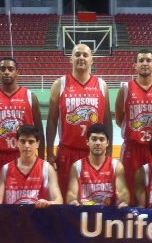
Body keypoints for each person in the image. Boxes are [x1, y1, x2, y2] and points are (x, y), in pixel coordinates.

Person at [46, 43, 113, 200]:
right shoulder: (59, 84)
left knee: (93, 198)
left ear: (91, 60)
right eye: (77, 55)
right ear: (71, 59)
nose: (81, 58)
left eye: (85, 55)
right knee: (65, 198)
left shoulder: (102, 85)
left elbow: (107, 120)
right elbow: (51, 121)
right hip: (67, 151)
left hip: (94, 152)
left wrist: (108, 152)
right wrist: (49, 151)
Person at [115, 48, 152, 205]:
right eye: (141, 60)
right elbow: (119, 119)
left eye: (148, 60)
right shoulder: (126, 89)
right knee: (129, 192)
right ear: (135, 65)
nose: (145, 63)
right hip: (132, 149)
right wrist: (134, 130)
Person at [0, 57, 44, 193]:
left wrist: (42, 157)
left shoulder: (30, 97)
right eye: (2, 69)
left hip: (23, 155)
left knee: (23, 195)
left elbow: (39, 130)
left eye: (10, 69)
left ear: (17, 72)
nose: (6, 72)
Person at [0, 125, 62, 209]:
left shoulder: (47, 168)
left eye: (31, 142)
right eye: (23, 141)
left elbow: (58, 200)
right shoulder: (6, 169)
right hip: (13, 221)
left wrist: (49, 203)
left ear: (38, 144)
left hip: (37, 221)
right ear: (17, 142)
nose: (26, 146)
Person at [67, 123, 129, 208]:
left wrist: (124, 201)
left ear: (107, 143)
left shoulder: (116, 166)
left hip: (109, 215)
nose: (98, 143)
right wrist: (71, 200)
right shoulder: (77, 166)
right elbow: (71, 192)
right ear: (87, 142)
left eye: (101, 139)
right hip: (84, 213)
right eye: (94, 139)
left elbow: (123, 191)